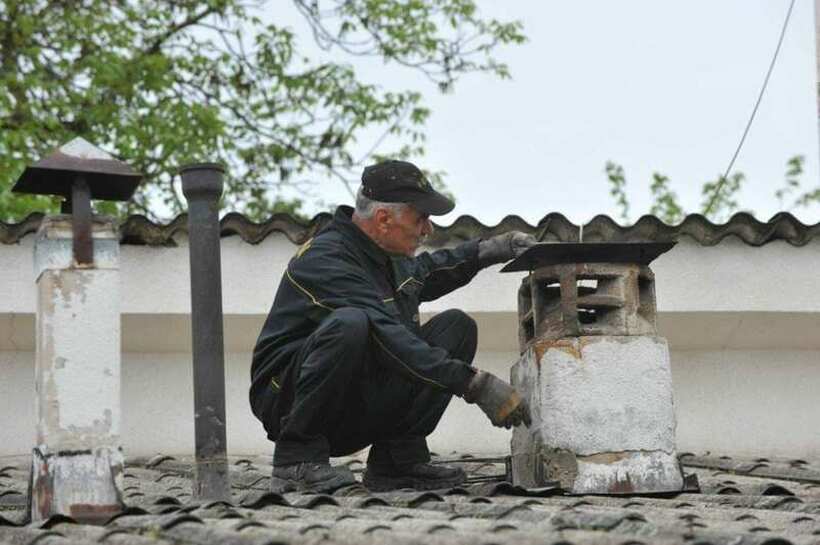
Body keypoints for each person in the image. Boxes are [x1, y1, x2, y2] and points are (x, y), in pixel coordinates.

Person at [249, 160, 535, 493]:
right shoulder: (325, 260)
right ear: (384, 219)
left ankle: (397, 463)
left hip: (350, 403)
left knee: (456, 327)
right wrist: (475, 385)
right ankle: (295, 461)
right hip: (286, 400)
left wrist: (491, 250)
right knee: (353, 323)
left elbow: (430, 269)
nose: (427, 229)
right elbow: (389, 337)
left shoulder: (384, 259)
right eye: (420, 218)